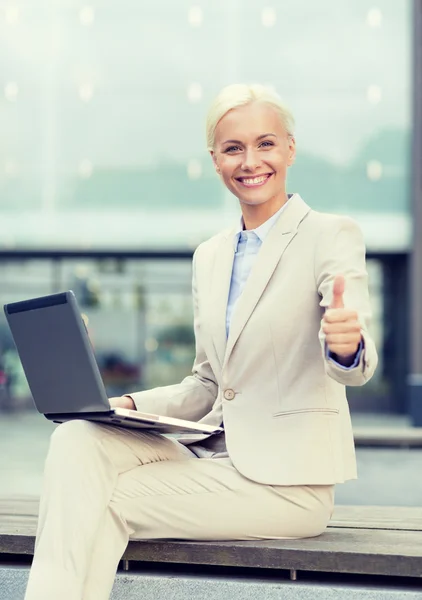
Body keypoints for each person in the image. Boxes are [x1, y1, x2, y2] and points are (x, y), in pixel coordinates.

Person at [25, 83, 378, 600]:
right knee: (76, 439)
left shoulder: (330, 235)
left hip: (288, 486)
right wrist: (117, 406)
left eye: (266, 144)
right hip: (212, 462)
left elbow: (354, 360)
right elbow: (208, 382)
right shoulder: (209, 257)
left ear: (290, 149)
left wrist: (346, 345)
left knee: (97, 498)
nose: (250, 161)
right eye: (233, 148)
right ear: (214, 159)